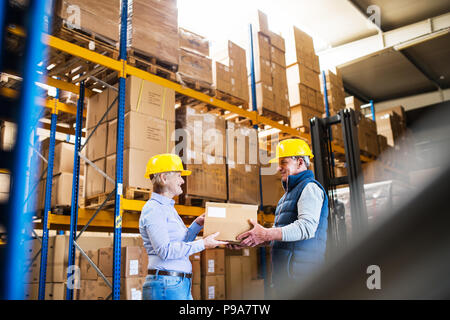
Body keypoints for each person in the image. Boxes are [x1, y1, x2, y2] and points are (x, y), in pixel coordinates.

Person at [235, 139, 329, 298]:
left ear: (300, 162)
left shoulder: (309, 188)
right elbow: (283, 236)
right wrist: (254, 239)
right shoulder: (285, 197)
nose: (279, 168)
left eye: (283, 162)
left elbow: (306, 228)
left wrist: (265, 234)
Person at [139, 153, 227, 300]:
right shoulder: (154, 209)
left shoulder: (167, 208)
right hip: (166, 285)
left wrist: (197, 224)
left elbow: (180, 243)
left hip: (176, 284)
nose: (182, 181)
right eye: (178, 176)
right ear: (164, 178)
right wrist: (203, 244)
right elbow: (165, 250)